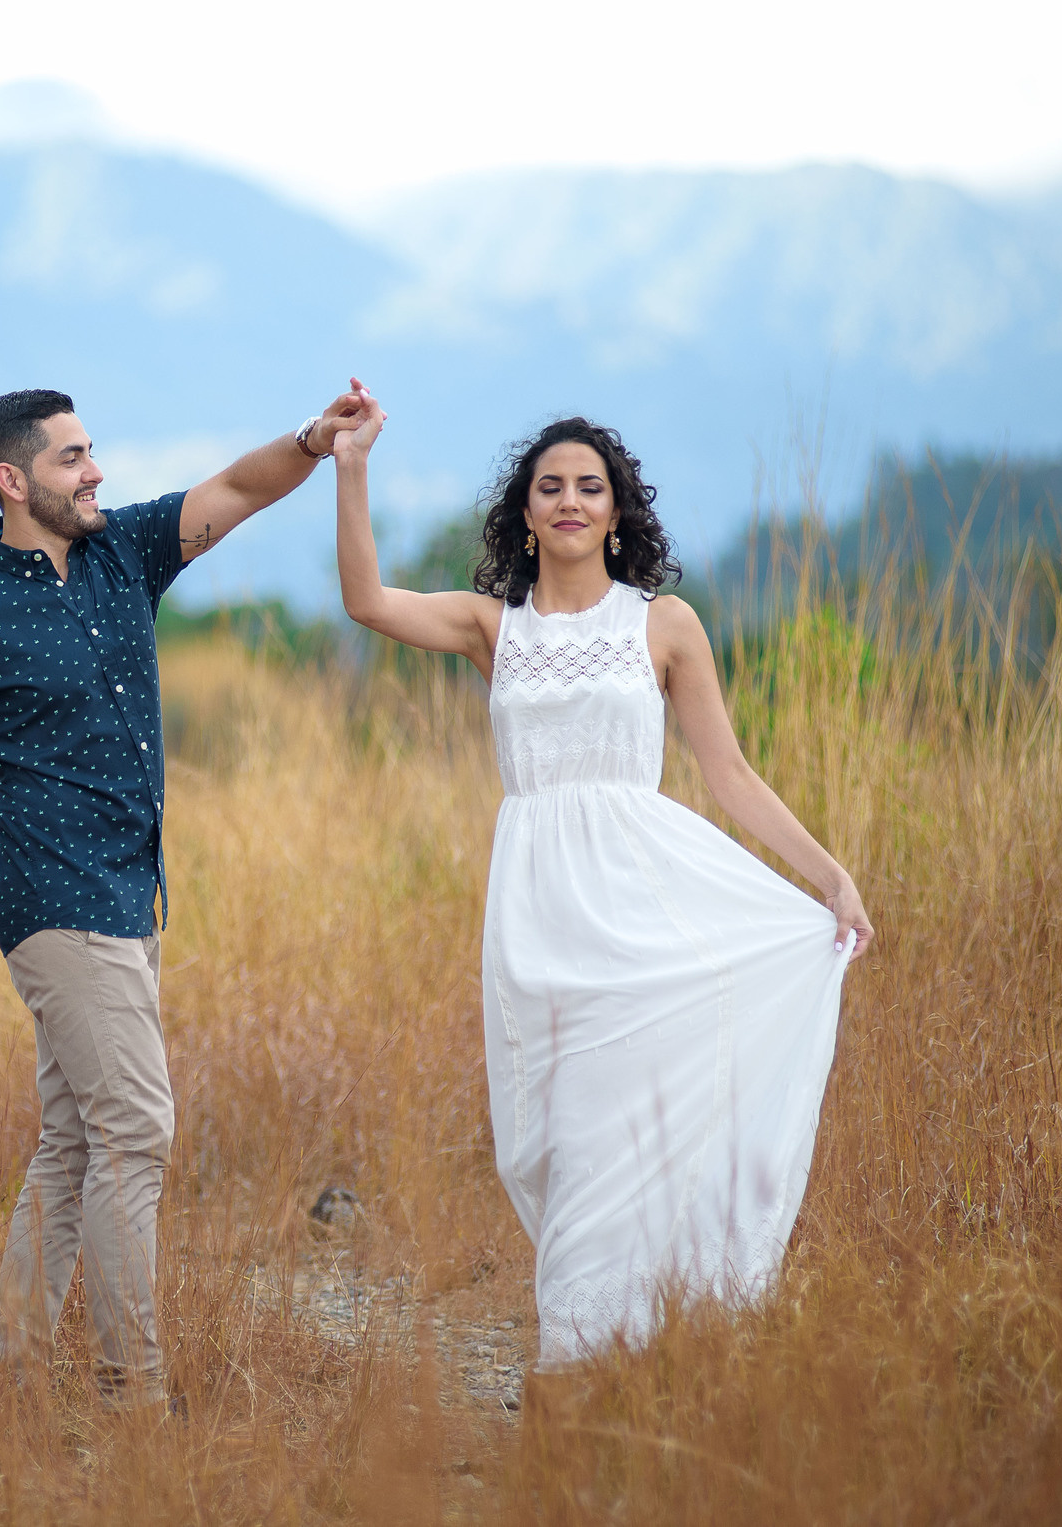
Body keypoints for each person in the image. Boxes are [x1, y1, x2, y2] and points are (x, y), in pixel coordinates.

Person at [330, 390, 874, 1368]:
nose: (570, 500)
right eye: (551, 487)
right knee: (558, 1143)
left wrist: (831, 876)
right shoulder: (491, 627)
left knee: (627, 1144)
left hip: (644, 911)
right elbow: (367, 600)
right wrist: (353, 464)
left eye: (590, 486)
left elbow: (730, 775)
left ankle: (579, 1375)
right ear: (525, 510)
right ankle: (596, 1363)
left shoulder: (663, 624)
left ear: (618, 509)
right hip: (538, 919)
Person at [0, 384, 368, 1410]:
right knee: (136, 1128)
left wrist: (315, 440)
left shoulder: (123, 552)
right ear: (12, 480)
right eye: (70, 458)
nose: (94, 470)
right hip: (54, 901)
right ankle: (131, 1389)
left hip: (131, 894)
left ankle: (8, 1374)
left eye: (91, 450)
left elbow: (237, 488)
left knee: (74, 1142)